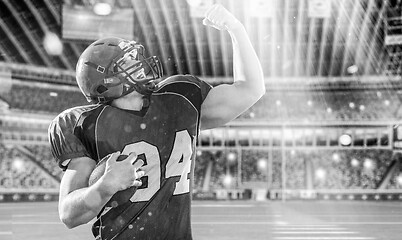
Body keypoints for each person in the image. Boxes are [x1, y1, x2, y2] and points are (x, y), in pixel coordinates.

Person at [48, 4, 265, 240]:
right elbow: (68, 214)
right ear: (107, 80)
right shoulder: (85, 124)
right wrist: (105, 185)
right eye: (129, 61)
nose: (141, 63)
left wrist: (236, 29)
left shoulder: (178, 99)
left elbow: (250, 90)